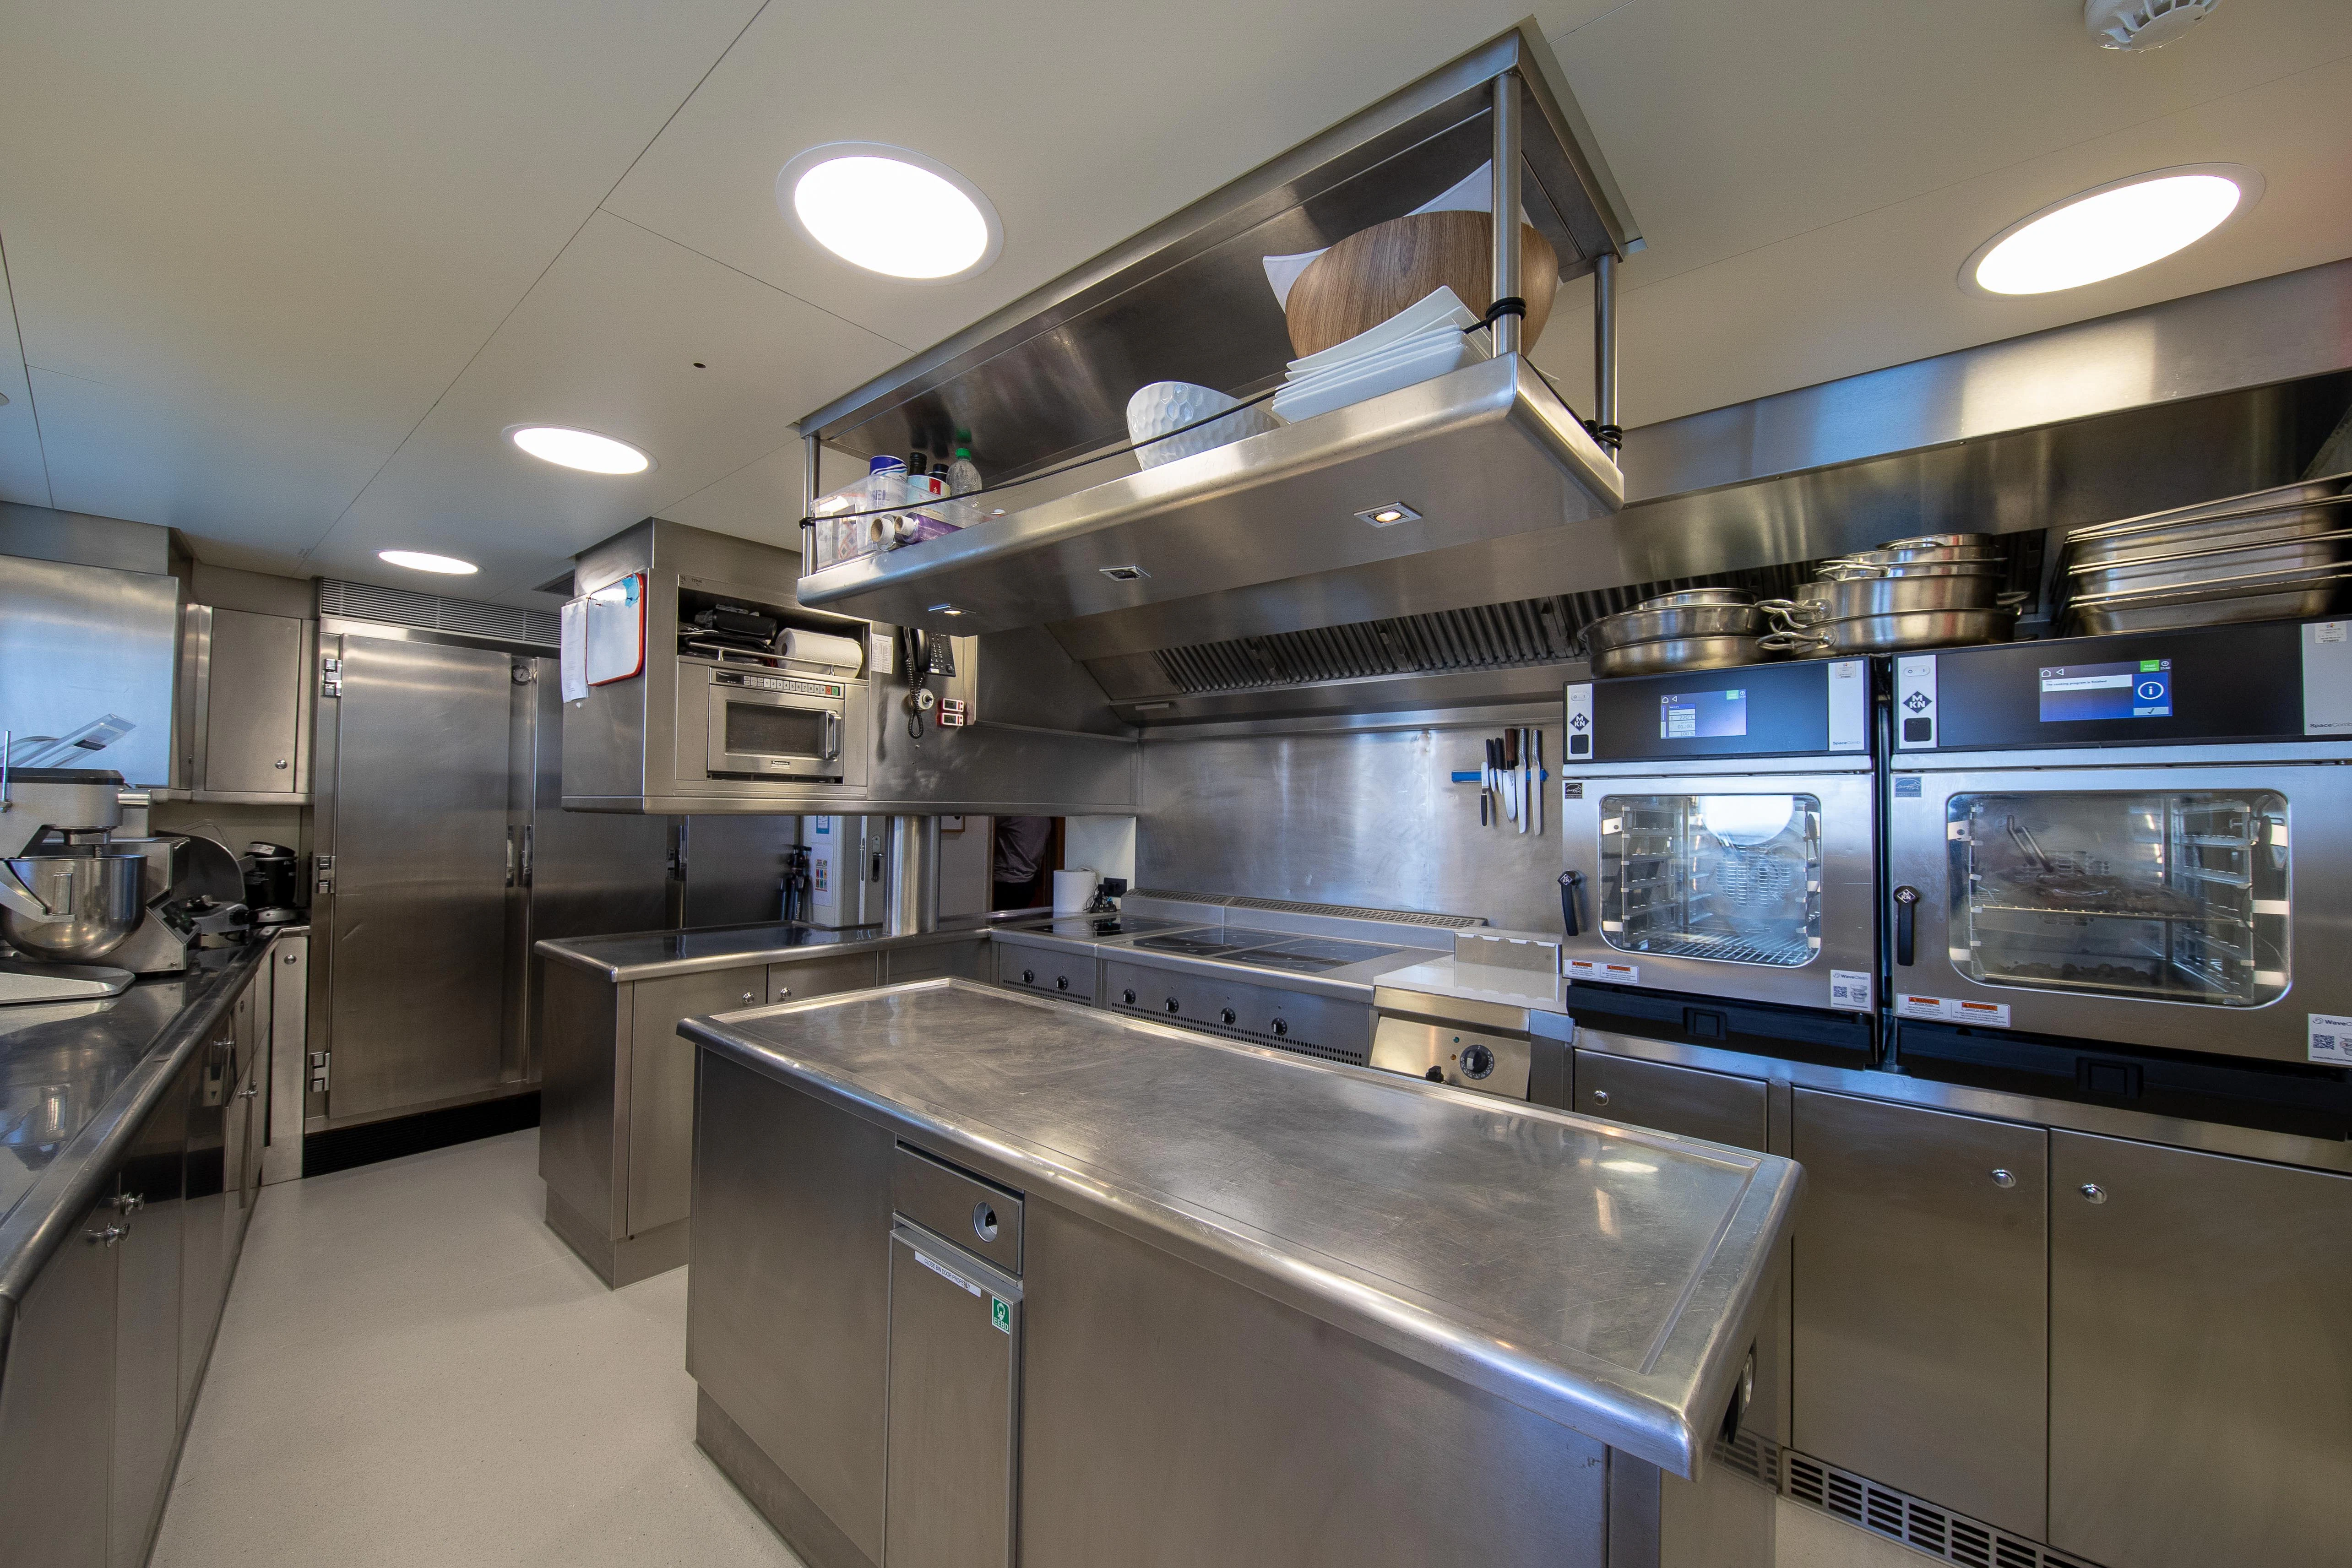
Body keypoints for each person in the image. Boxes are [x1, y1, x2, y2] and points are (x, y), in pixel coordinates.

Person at [992, 816, 1053, 911]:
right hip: (1028, 882)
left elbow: (987, 824)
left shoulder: (1013, 815)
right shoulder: (1045, 818)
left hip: (1005, 881)